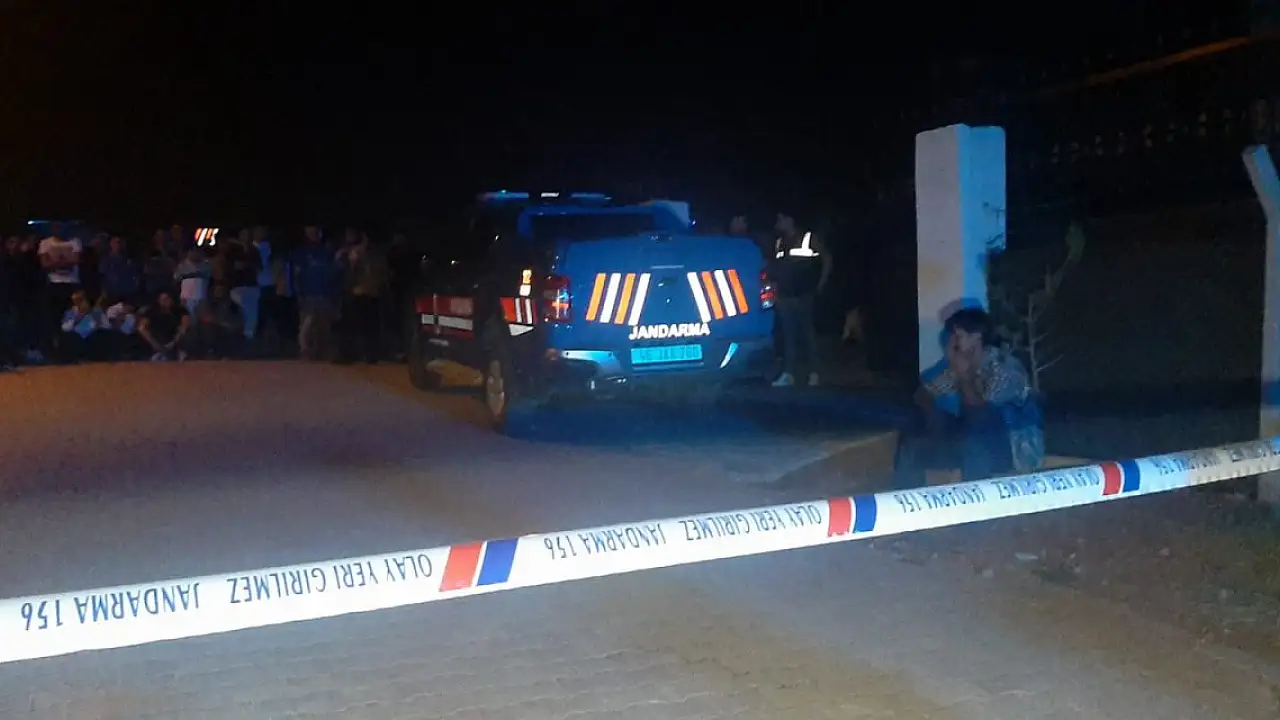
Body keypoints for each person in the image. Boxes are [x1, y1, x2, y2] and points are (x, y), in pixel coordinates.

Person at [895, 306, 1043, 488]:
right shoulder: (961, 364)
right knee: (912, 432)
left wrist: (964, 376)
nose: (952, 342)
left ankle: (977, 496)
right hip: (978, 437)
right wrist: (932, 415)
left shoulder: (1004, 367)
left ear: (977, 337)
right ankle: (907, 496)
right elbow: (923, 394)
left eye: (958, 336)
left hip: (1014, 445)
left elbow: (979, 411)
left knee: (975, 432)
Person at [769, 213, 831, 387]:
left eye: (781, 219)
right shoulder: (780, 242)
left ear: (790, 220)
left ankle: (814, 373)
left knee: (808, 335)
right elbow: (777, 268)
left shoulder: (808, 238)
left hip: (804, 295)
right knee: (788, 337)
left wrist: (820, 284)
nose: (778, 223)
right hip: (784, 296)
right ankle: (789, 374)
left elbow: (827, 259)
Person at [137, 291, 191, 361]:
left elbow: (184, 325)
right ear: (158, 300)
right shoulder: (151, 312)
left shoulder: (180, 310)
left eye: (169, 298)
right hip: (158, 343)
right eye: (164, 299)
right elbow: (142, 329)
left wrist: (174, 342)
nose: (168, 301)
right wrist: (155, 345)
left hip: (176, 342)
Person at [57, 289, 107, 363]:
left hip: (93, 340)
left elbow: (106, 327)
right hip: (77, 340)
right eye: (75, 301)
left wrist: (95, 317)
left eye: (80, 300)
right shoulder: (70, 312)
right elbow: (65, 328)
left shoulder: (97, 312)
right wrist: (79, 316)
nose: (78, 303)